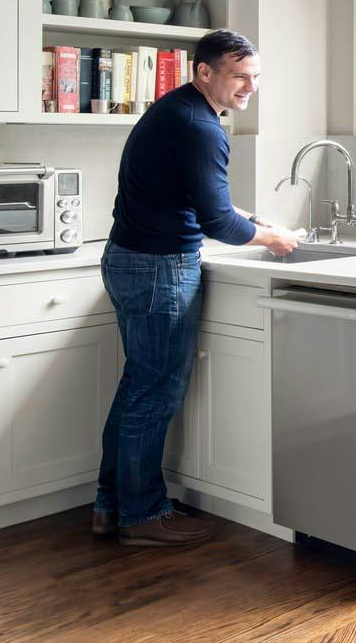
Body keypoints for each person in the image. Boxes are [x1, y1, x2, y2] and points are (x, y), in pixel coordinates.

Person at [95, 29, 298, 547]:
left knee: (137, 388)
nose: (249, 87)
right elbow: (217, 223)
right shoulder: (201, 126)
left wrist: (253, 218)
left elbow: (194, 200)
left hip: (128, 260)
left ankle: (111, 505)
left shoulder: (179, 111)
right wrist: (270, 236)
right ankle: (142, 516)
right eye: (239, 76)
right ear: (203, 72)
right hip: (159, 270)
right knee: (153, 393)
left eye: (255, 78)